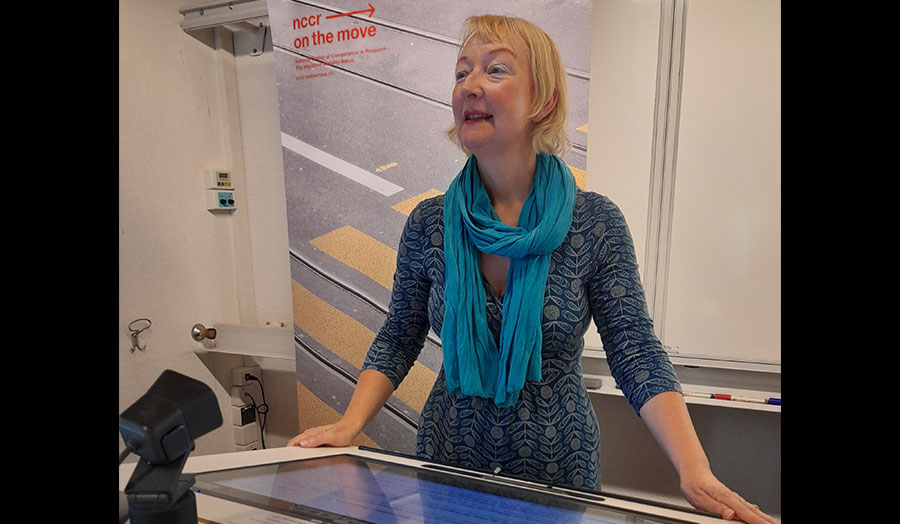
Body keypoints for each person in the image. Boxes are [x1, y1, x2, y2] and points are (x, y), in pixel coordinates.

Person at [288, 14, 779, 524]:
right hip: (448, 467)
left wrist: (694, 470)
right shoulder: (430, 222)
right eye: (461, 73)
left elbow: (635, 350)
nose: (470, 86)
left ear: (542, 102)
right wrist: (349, 424)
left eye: (495, 70)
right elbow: (399, 334)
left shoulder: (594, 223)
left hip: (558, 476)